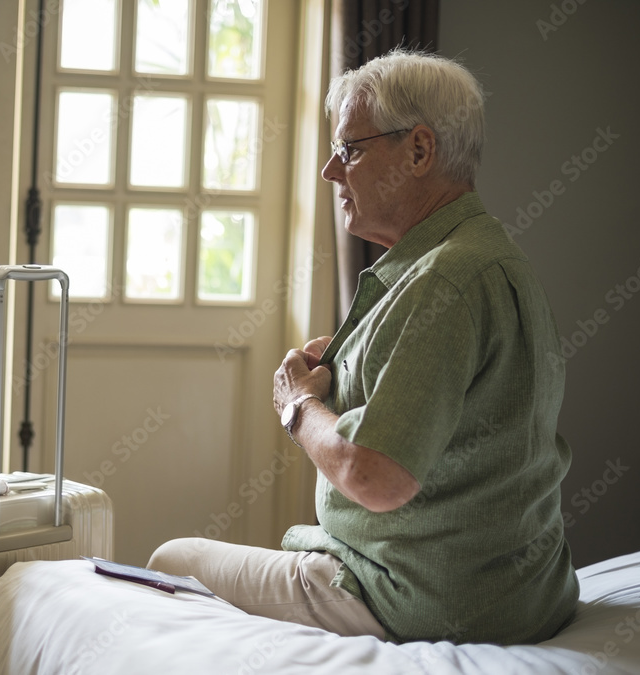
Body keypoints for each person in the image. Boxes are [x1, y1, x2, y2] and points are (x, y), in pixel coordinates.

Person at [148, 48, 579, 645]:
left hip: (423, 599)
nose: (330, 170)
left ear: (419, 151)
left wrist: (298, 406)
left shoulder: (442, 282)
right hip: (525, 592)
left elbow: (378, 478)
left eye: (350, 148)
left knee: (172, 560)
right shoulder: (483, 255)